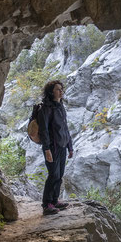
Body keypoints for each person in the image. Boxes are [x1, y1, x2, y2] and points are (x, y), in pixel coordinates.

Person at [36, 79, 74, 215]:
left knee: (60, 175)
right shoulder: (45, 108)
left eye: (61, 89)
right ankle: (47, 204)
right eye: (58, 89)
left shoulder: (60, 106)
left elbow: (65, 128)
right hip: (52, 147)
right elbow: (44, 131)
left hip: (62, 146)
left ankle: (54, 200)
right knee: (53, 175)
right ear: (51, 92)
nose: (61, 91)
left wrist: (70, 147)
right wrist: (46, 149)